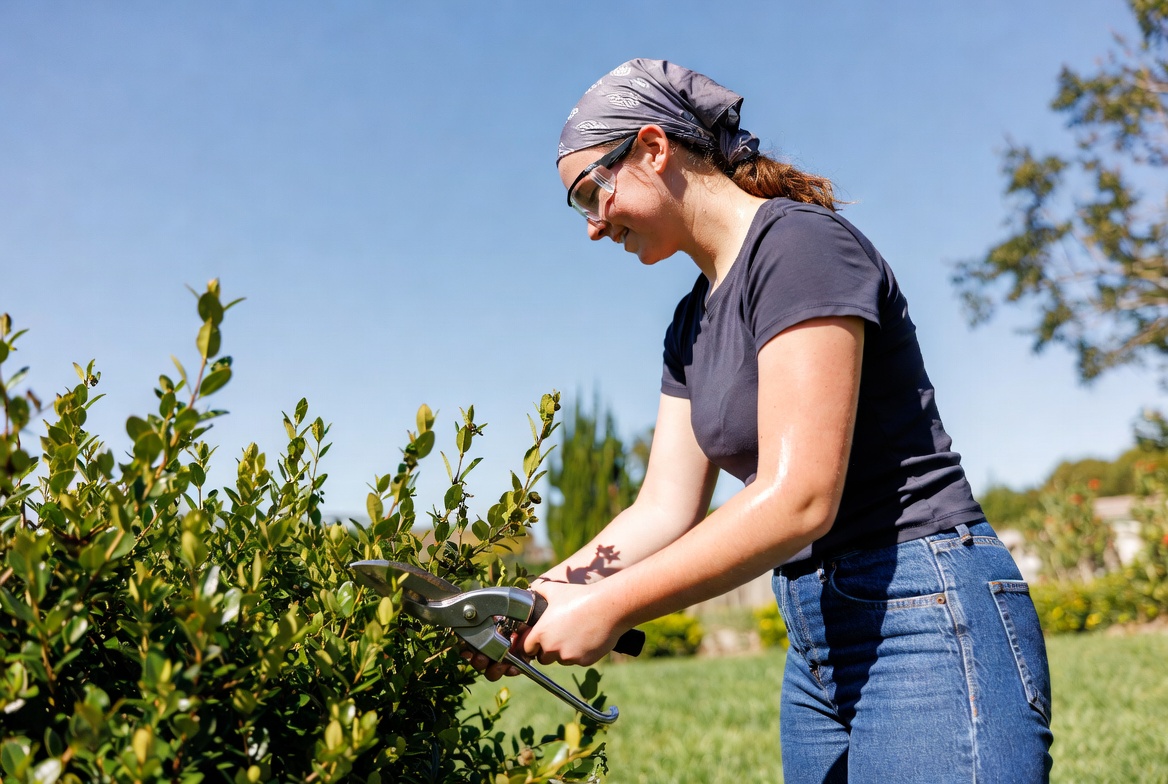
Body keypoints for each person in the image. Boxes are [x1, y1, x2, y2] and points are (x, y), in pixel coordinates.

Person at [468, 59, 1054, 782]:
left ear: (653, 148)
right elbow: (662, 508)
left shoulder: (799, 248)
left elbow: (800, 495)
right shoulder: (691, 319)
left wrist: (612, 606)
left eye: (593, 191)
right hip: (817, 636)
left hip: (924, 609)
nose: (592, 226)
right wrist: (533, 599)